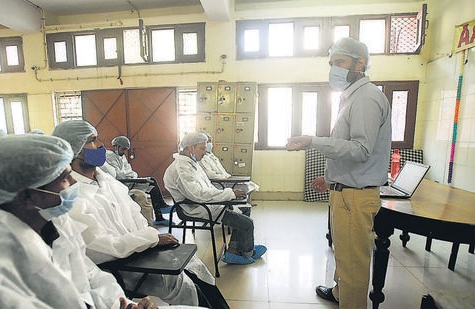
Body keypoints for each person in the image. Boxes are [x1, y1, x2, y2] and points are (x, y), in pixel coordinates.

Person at [0, 134, 164, 309]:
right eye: (63, 178)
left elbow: (88, 274)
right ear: (27, 195)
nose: (74, 184)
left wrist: (121, 304)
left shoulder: (54, 222)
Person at [53, 120, 228, 308]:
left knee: (195, 268)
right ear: (73, 151)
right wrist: (150, 239)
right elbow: (101, 247)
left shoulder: (107, 181)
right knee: (181, 283)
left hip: (143, 249)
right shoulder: (72, 195)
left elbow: (136, 214)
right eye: (93, 141)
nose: (102, 146)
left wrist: (150, 239)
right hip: (124, 265)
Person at [286, 37, 391, 308]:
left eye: (341, 62)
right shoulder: (352, 96)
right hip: (346, 191)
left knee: (353, 264)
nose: (335, 69)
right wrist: (331, 178)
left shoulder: (366, 99)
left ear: (361, 63)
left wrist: (314, 140)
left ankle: (350, 301)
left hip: (355, 197)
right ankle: (338, 292)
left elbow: (360, 150)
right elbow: (351, 150)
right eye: (332, 63)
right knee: (344, 254)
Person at [163, 131, 267, 265]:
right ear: (190, 148)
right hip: (197, 208)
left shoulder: (191, 163)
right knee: (247, 223)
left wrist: (228, 195)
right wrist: (229, 194)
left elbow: (207, 188)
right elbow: (198, 195)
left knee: (244, 209)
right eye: (202, 148)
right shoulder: (181, 168)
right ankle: (248, 252)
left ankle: (234, 251)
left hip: (206, 203)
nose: (205, 152)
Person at [105, 135, 171, 226]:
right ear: (116, 146)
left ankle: (160, 213)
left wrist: (130, 175)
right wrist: (129, 175)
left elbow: (130, 171)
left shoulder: (121, 156)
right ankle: (160, 209)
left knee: (151, 181)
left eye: (126, 150)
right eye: (123, 149)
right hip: (122, 183)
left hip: (129, 180)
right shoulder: (109, 157)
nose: (124, 152)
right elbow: (118, 174)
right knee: (150, 183)